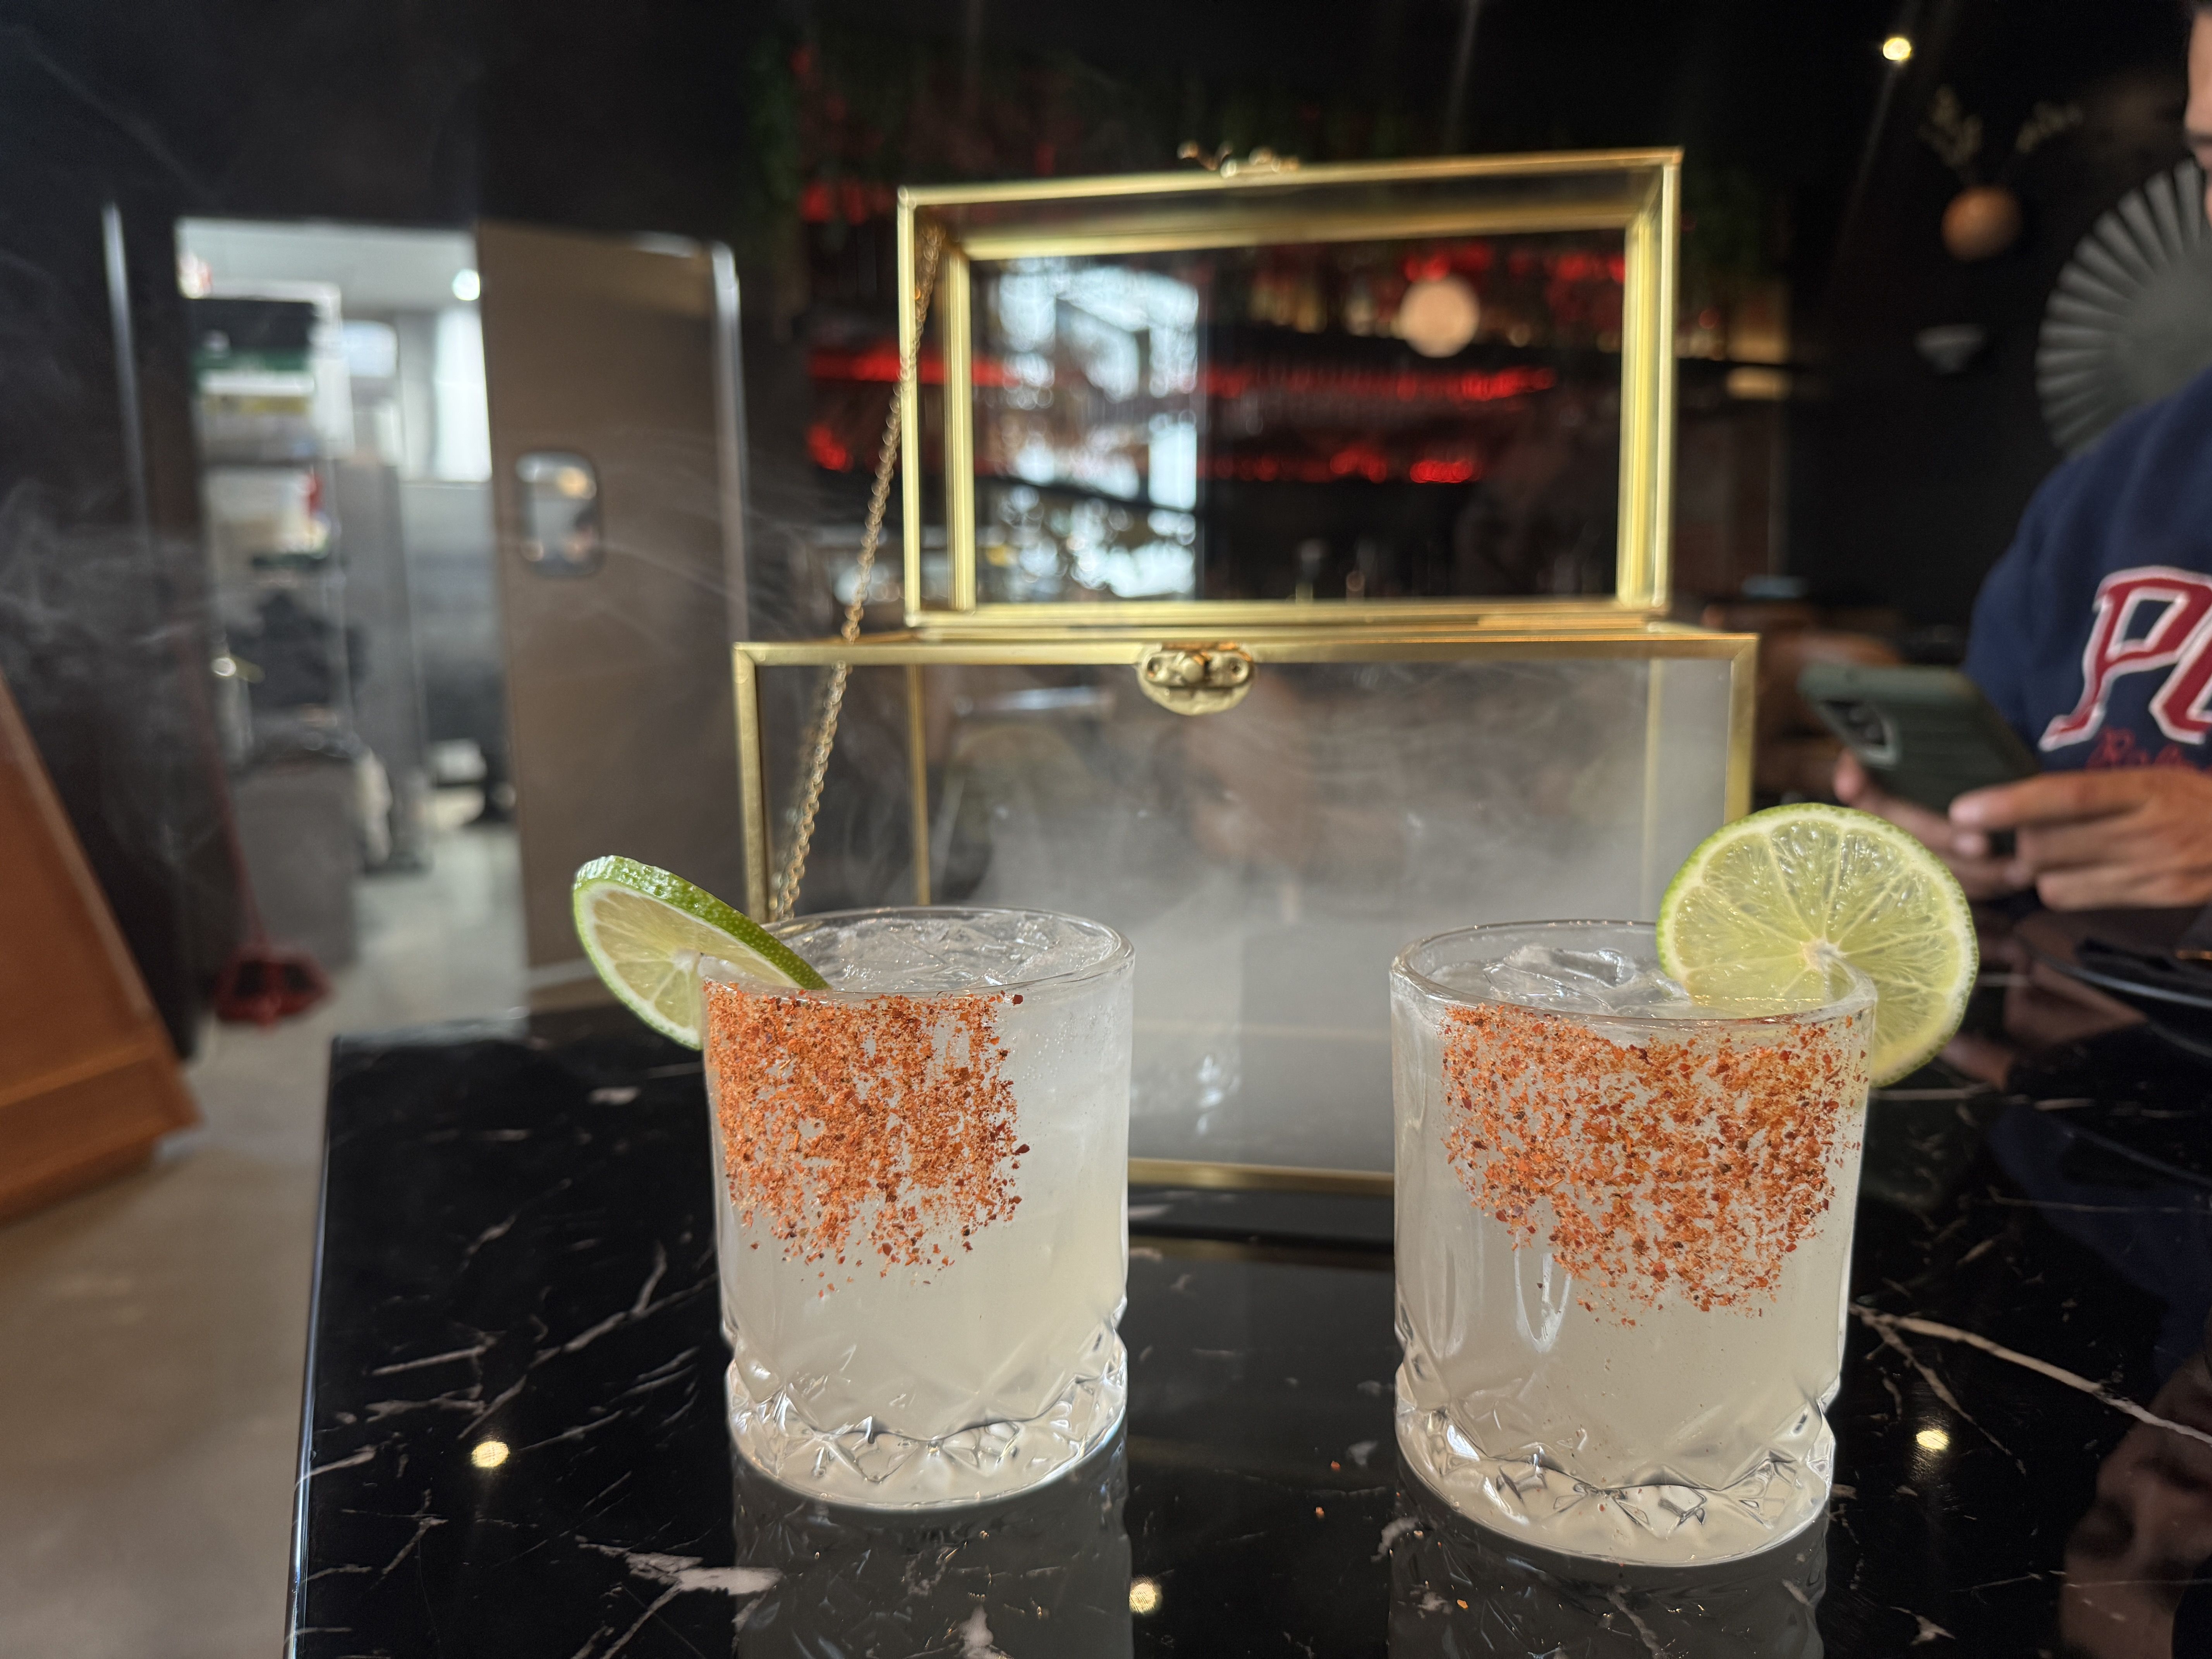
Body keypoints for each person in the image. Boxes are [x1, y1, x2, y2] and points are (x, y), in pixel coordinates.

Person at [1836, 2, 2212, 911]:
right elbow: (2003, 788)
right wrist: (1951, 838)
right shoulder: (2110, 490)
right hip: (2085, 1043)